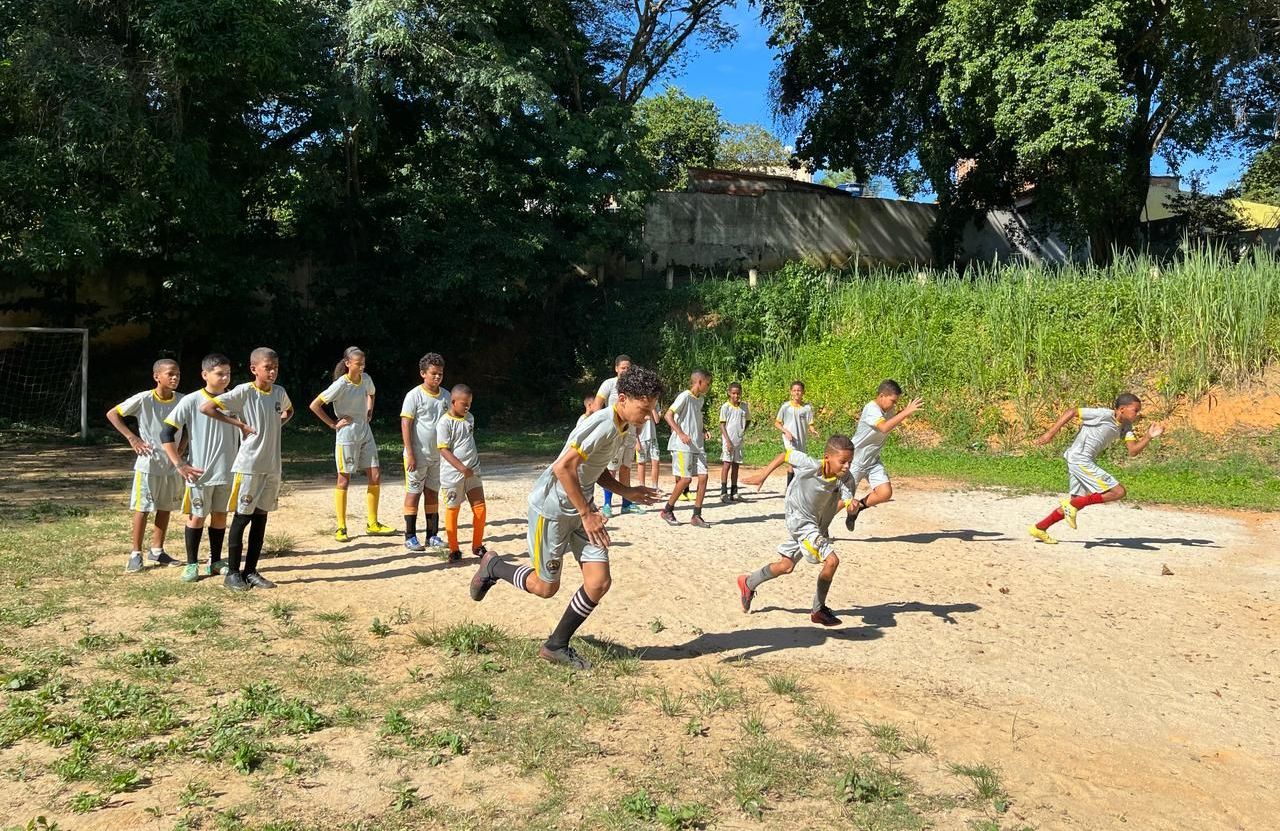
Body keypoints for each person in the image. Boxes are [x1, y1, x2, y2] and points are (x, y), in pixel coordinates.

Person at [469, 366, 664, 670]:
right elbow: (563, 468)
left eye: (652, 409)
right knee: (545, 588)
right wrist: (587, 513)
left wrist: (626, 491)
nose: (649, 416)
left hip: (582, 508)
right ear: (623, 399)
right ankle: (493, 566)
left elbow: (593, 468)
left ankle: (556, 645)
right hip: (553, 510)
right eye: (644, 409)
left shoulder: (622, 425)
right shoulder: (602, 424)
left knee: (598, 582)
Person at [737, 436, 859, 627]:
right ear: (827, 457)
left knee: (786, 565)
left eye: (850, 462)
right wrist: (763, 474)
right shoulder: (810, 465)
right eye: (842, 461)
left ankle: (748, 582)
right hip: (800, 521)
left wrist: (852, 508)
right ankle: (818, 610)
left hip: (816, 525)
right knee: (832, 560)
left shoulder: (846, 479)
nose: (847, 466)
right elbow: (787, 455)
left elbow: (848, 500)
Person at [198, 347, 294, 591]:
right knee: (242, 518)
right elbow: (207, 408)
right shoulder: (243, 392)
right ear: (254, 369)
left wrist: (276, 424)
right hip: (249, 466)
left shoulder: (279, 392)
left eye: (275, 368)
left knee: (261, 518)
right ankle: (232, 572)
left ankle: (251, 570)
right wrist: (238, 423)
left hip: (272, 467)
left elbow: (289, 410)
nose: (272, 372)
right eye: (267, 368)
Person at [1028, 393, 1164, 544]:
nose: (1137, 414)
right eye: (1135, 410)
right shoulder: (1103, 415)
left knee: (1077, 501)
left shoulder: (1126, 427)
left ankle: (1040, 528)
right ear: (1122, 409)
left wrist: (1148, 437)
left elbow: (1132, 451)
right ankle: (1070, 506)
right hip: (1079, 458)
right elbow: (1072, 411)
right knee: (1118, 492)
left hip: (1082, 460)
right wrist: (1050, 433)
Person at [159, 353, 239, 581]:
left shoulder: (234, 399)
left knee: (220, 516)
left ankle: (215, 561)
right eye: (219, 374)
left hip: (228, 471)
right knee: (196, 517)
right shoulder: (191, 400)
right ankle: (192, 563)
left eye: (228, 374)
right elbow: (166, 432)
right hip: (200, 473)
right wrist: (179, 464)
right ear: (205, 375)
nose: (225, 378)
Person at [309, 346, 394, 542]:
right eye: (358, 364)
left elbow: (371, 393)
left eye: (363, 363)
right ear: (348, 364)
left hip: (365, 431)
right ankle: (341, 526)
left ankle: (372, 523)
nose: (362, 367)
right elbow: (315, 405)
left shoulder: (366, 379)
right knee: (343, 479)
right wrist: (332, 424)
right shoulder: (341, 384)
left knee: (375, 474)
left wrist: (369, 409)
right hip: (346, 434)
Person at [107, 358, 184, 572]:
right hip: (149, 463)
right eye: (170, 374)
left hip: (171, 464)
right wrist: (132, 438)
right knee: (143, 508)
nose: (175, 377)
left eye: (177, 373)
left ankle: (157, 551)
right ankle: (135, 553)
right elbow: (113, 414)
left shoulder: (183, 400)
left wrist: (181, 449)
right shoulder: (144, 399)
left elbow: (188, 426)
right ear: (156, 376)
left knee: (165, 506)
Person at [844, 380, 923, 530]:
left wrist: (903, 412)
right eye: (893, 401)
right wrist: (906, 412)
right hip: (856, 460)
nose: (894, 404)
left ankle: (858, 509)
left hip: (872, 460)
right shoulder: (871, 408)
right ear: (882, 396)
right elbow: (884, 427)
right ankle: (819, 527)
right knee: (842, 500)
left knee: (885, 492)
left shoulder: (888, 410)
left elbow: (890, 421)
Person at [400, 352, 449, 552]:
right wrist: (410, 453)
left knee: (432, 493)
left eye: (440, 374)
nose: (437, 377)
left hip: (437, 457)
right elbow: (406, 423)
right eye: (433, 373)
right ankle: (410, 535)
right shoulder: (414, 395)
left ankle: (432, 535)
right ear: (423, 374)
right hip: (417, 455)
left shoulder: (446, 395)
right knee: (414, 493)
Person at [437, 385, 486, 562]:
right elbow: (443, 450)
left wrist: (470, 468)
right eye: (464, 404)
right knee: (453, 510)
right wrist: (461, 468)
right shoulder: (444, 423)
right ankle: (454, 549)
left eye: (470, 404)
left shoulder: (470, 418)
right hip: (452, 475)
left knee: (480, 509)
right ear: (453, 402)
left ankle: (477, 545)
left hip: (473, 471)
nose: (467, 407)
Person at [659, 369, 712, 528]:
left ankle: (696, 515)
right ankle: (667, 510)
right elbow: (668, 415)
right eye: (707, 384)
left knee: (703, 477)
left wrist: (703, 430)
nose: (708, 387)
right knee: (686, 479)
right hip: (683, 446)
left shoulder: (700, 399)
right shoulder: (684, 396)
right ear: (699, 382)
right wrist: (681, 433)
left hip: (697, 445)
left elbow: (695, 419)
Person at [595, 355, 642, 517]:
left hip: (630, 433)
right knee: (611, 469)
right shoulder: (609, 384)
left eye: (628, 368)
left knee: (626, 468)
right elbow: (597, 404)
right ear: (616, 368)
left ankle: (626, 503)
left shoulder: (635, 387)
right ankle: (607, 504)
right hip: (614, 434)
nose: (626, 370)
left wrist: (638, 432)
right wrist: (601, 426)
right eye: (623, 368)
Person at [749, 381, 819, 490]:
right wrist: (785, 431)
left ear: (803, 392)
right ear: (791, 392)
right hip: (789, 439)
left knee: (796, 463)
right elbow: (777, 423)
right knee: (792, 459)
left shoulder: (807, 408)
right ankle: (789, 488)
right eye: (794, 390)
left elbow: (810, 423)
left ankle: (792, 487)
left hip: (801, 439)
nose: (797, 393)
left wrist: (813, 430)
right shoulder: (786, 407)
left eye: (799, 390)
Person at [718, 382, 749, 503]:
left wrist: (742, 431)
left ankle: (734, 491)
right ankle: (723, 491)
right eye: (733, 393)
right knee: (727, 464)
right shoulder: (725, 407)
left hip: (738, 440)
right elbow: (722, 425)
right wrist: (728, 441)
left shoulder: (744, 407)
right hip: (728, 440)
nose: (736, 396)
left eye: (738, 393)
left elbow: (748, 420)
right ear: (729, 393)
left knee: (736, 465)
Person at [635, 399, 662, 493]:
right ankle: (642, 487)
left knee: (656, 461)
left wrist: (653, 407)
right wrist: (636, 441)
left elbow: (657, 420)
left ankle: (655, 487)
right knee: (641, 463)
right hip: (641, 438)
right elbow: (634, 422)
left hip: (653, 437)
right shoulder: (638, 401)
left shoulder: (655, 403)